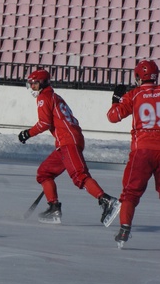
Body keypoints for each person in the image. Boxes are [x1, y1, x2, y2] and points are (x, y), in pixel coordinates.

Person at [18, 69, 120, 226]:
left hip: (68, 141)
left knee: (79, 176)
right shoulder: (54, 96)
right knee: (44, 173)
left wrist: (27, 133)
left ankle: (106, 200)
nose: (32, 87)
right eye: (30, 84)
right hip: (66, 142)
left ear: (43, 83)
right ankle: (53, 208)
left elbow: (45, 123)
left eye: (34, 84)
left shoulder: (44, 97)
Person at [107, 60, 160, 248]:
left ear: (138, 77)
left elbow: (113, 116)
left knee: (130, 191)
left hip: (142, 150)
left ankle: (124, 229)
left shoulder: (134, 95)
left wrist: (115, 99)